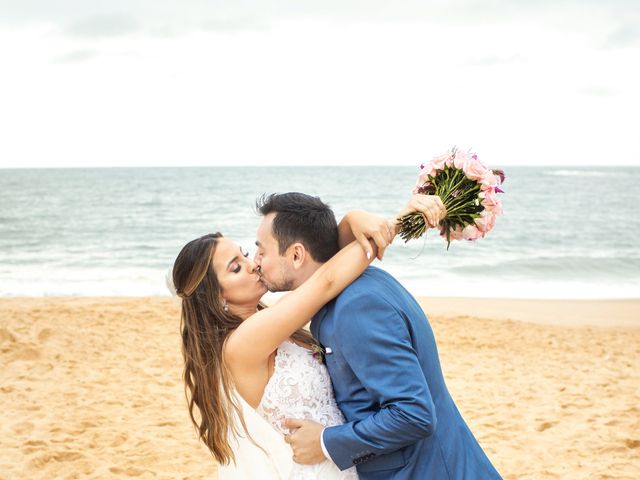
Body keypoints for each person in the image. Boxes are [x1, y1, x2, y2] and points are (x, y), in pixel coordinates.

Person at [171, 194, 443, 479]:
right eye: (235, 267)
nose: (252, 264)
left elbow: (314, 262)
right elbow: (325, 281)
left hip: (337, 463)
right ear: (216, 298)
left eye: (244, 253)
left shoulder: (273, 324)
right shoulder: (242, 344)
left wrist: (352, 220)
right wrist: (396, 223)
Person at [255, 193, 502, 479]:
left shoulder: (356, 307)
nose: (256, 261)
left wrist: (325, 442)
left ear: (297, 255)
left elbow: (414, 414)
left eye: (262, 251)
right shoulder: (361, 283)